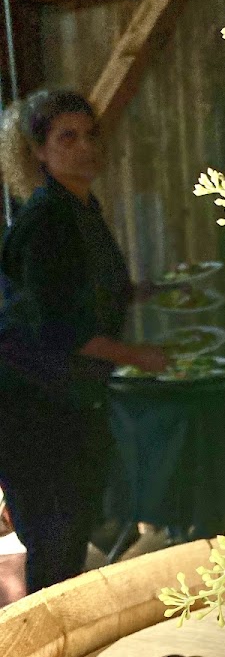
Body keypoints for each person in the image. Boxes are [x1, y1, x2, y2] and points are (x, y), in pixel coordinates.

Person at [0, 90, 167, 594]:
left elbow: (79, 294)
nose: (85, 147)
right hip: (30, 406)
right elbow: (55, 329)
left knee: (70, 533)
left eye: (91, 135)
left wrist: (146, 291)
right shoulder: (46, 221)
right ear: (38, 152)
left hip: (68, 400)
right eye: (67, 138)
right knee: (54, 542)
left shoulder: (80, 207)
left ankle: (60, 630)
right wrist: (137, 356)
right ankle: (37, 637)